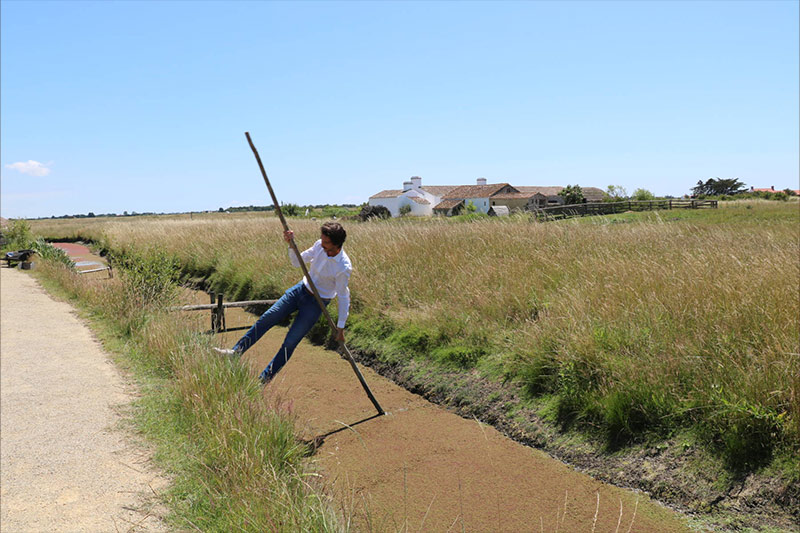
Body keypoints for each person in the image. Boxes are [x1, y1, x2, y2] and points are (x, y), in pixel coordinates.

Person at [214, 222, 352, 384]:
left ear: (336, 244)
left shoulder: (343, 267)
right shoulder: (319, 245)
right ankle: (235, 352)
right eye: (322, 240)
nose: (322, 244)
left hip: (316, 304)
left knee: (290, 342)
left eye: (326, 242)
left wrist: (340, 327)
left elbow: (343, 297)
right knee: (268, 317)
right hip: (300, 290)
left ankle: (262, 381)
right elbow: (297, 261)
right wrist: (291, 245)